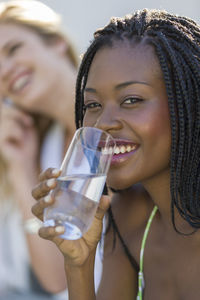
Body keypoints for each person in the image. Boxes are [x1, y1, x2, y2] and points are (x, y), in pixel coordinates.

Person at [31, 8, 200, 300]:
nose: (104, 122)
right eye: (93, 105)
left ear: (187, 102)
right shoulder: (128, 215)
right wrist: (78, 263)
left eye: (131, 99)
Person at [0, 0, 80, 298]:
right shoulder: (44, 149)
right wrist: (20, 165)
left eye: (13, 49)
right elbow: (58, 280)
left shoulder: (121, 120)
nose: (5, 70)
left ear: (56, 42)